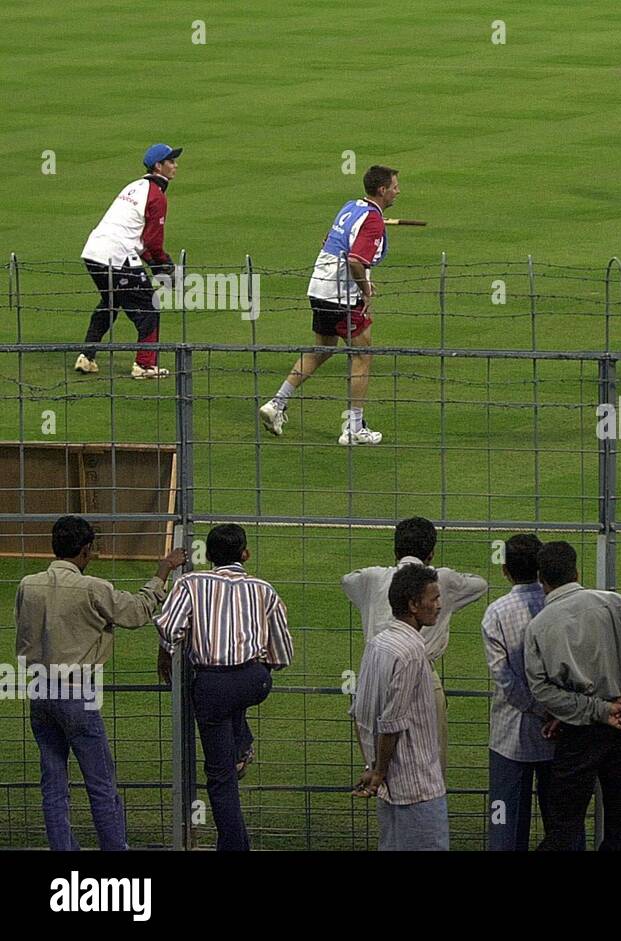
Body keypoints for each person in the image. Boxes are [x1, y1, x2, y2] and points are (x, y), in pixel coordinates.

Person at [15, 516, 185, 850]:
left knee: (53, 784)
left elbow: (23, 635)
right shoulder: (92, 588)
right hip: (77, 692)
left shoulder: (27, 584)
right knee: (101, 784)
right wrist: (163, 570)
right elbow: (137, 612)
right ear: (86, 549)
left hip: (39, 691)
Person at [155, 524, 294, 851]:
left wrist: (167, 656)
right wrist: (260, 667)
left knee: (221, 779)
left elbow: (168, 628)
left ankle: (234, 846)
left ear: (209, 555)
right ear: (245, 554)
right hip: (253, 681)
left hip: (211, 685)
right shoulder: (264, 589)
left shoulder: (190, 583)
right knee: (235, 701)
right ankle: (241, 744)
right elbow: (283, 652)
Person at [524, 541, 621, 851]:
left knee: (564, 824)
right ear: (577, 571)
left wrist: (598, 710)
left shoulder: (538, 627)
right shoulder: (611, 603)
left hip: (579, 734)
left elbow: (542, 690)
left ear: (541, 580)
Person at [258, 165, 401, 444]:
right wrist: (366, 290)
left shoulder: (351, 206)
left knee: (322, 349)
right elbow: (356, 261)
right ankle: (354, 428)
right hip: (341, 296)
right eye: (395, 186)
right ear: (382, 190)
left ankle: (277, 403)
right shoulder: (372, 221)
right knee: (362, 355)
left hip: (319, 286)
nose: (398, 191)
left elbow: (328, 239)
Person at [341, 516, 487, 778]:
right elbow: (480, 584)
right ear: (431, 553)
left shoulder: (372, 578)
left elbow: (347, 580)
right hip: (421, 672)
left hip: (377, 672)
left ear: (396, 551)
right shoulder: (442, 579)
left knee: (378, 763)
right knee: (430, 765)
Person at [351, 564, 449, 850]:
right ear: (413, 605)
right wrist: (379, 771)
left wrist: (373, 767)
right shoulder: (413, 652)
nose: (439, 606)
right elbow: (392, 721)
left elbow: (360, 712)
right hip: (417, 788)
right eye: (434, 599)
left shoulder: (378, 643)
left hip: (389, 789)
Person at [76, 143, 181, 380]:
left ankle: (86, 355)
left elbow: (137, 239)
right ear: (158, 166)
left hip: (93, 253)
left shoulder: (134, 187)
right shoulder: (156, 196)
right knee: (149, 307)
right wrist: (165, 266)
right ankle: (144, 365)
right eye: (171, 161)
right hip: (116, 256)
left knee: (111, 301)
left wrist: (155, 265)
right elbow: (153, 242)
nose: (175, 165)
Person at [480, 534, 556, 851]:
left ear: (505, 569)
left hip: (510, 737)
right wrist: (553, 710)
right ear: (540, 568)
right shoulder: (560, 605)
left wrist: (536, 708)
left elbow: (505, 678)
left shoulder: (496, 612)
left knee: (505, 828)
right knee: (564, 826)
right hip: (559, 731)